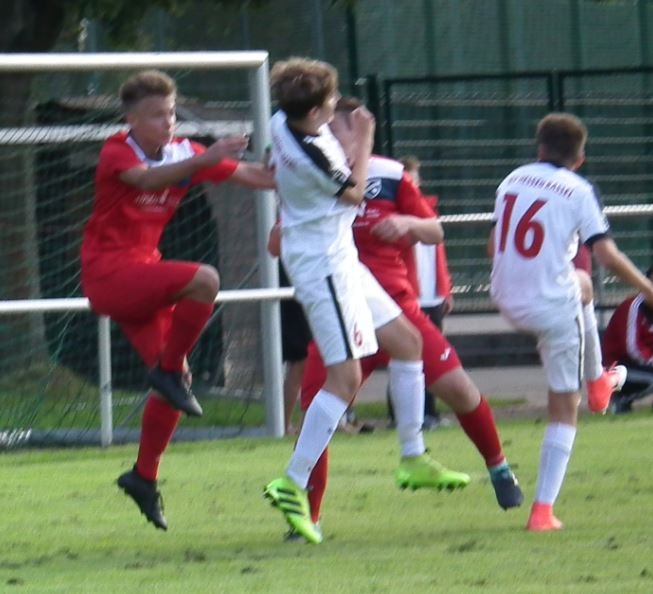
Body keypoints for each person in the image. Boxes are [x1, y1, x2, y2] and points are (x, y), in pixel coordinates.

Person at [294, 98, 523, 540]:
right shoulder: (312, 175)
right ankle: (308, 516)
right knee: (316, 414)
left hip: (399, 310)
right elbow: (277, 240)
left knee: (460, 390)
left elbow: (434, 230)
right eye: (325, 130)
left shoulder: (389, 174)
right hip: (343, 311)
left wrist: (406, 225)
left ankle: (499, 468)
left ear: (359, 132)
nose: (330, 137)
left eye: (338, 129)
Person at [262, 58, 469, 545]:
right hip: (324, 266)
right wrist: (364, 140)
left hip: (338, 255)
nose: (337, 105)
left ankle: (413, 455)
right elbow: (354, 193)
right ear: (315, 112)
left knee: (407, 342)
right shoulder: (315, 154)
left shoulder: (280, 120)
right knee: (345, 377)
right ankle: (292, 480)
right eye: (330, 100)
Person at [80, 69, 275, 530]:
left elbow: (255, 176)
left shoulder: (184, 152)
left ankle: (143, 477)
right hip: (110, 275)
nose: (168, 122)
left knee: (178, 381)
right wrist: (206, 158)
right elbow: (147, 181)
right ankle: (167, 371)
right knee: (205, 280)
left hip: (143, 276)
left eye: (171, 113)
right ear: (130, 119)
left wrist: (313, 171)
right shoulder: (117, 150)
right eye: (156, 115)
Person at [488, 112, 653, 532]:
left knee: (581, 283)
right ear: (579, 158)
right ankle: (542, 512)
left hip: (504, 296)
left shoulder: (512, 179)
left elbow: (493, 246)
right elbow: (608, 256)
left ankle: (598, 380)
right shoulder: (580, 189)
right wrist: (648, 290)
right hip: (548, 307)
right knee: (564, 406)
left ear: (539, 147)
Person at [386, 155, 454, 430]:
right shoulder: (392, 215)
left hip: (432, 297)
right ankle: (401, 415)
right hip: (408, 295)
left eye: (413, 180)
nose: (411, 185)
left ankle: (429, 412)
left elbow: (439, 254)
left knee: (432, 358)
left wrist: (445, 289)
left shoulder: (427, 214)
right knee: (404, 354)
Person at [267, 222, 312, 435]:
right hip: (295, 289)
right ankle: (283, 425)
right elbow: (273, 246)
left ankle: (293, 423)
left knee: (309, 360)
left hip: (309, 285)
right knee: (301, 359)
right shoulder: (292, 217)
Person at [602, 266, 653, 413]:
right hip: (617, 367)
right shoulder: (633, 307)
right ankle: (619, 400)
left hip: (643, 365)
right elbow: (632, 348)